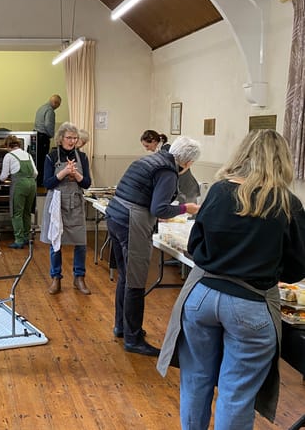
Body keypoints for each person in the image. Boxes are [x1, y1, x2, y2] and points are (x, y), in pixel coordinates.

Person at [157, 129, 305, 429]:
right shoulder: (287, 202)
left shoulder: (220, 191)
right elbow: (297, 265)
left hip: (202, 296)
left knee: (196, 380)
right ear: (281, 160)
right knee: (236, 393)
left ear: (243, 154)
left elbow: (196, 247)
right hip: (251, 303)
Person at [105, 136, 201, 357]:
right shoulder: (168, 171)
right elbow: (159, 209)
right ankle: (134, 338)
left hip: (115, 215)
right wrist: (187, 208)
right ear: (187, 163)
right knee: (136, 280)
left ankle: (122, 327)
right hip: (132, 221)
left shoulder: (151, 160)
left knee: (125, 277)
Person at [40, 122, 92, 295]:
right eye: (69, 138)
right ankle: (56, 278)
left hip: (75, 203)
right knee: (56, 242)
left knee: (81, 242)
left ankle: (79, 278)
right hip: (57, 202)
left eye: (75, 138)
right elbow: (47, 183)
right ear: (61, 138)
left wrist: (76, 174)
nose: (72, 141)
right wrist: (63, 173)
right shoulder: (51, 156)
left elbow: (86, 183)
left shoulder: (82, 157)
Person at [0, 134, 37, 249]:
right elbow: (35, 173)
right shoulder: (28, 155)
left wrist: (5, 178)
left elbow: (3, 177)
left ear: (8, 146)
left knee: (17, 213)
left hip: (20, 185)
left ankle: (19, 240)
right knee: (26, 212)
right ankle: (26, 237)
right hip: (32, 184)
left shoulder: (9, 156)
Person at [34, 94, 62, 186]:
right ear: (55, 103)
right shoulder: (50, 111)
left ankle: (37, 181)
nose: (58, 107)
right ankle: (41, 182)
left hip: (36, 136)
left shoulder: (41, 108)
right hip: (43, 138)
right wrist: (52, 135)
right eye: (58, 105)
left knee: (37, 160)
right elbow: (48, 125)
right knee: (43, 161)